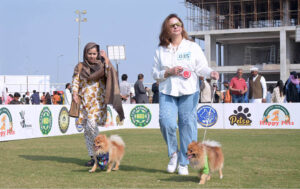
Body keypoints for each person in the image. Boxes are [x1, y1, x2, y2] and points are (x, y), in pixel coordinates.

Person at [152, 14, 219, 175]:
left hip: (189, 91)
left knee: (187, 126)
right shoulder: (161, 49)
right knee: (166, 122)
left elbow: (201, 67)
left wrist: (211, 73)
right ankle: (173, 154)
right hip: (167, 91)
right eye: (172, 25)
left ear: (182, 27)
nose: (176, 26)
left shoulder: (192, 47)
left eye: (178, 24)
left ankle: (184, 161)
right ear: (166, 29)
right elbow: (155, 73)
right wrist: (168, 72)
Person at [72, 42, 124, 167]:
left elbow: (111, 73)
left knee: (91, 124)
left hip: (98, 101)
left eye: (94, 53)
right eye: (89, 53)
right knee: (87, 131)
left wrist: (106, 60)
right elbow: (75, 80)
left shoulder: (102, 65)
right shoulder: (80, 66)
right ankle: (93, 157)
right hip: (84, 101)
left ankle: (102, 152)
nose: (92, 56)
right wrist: (74, 93)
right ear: (85, 54)